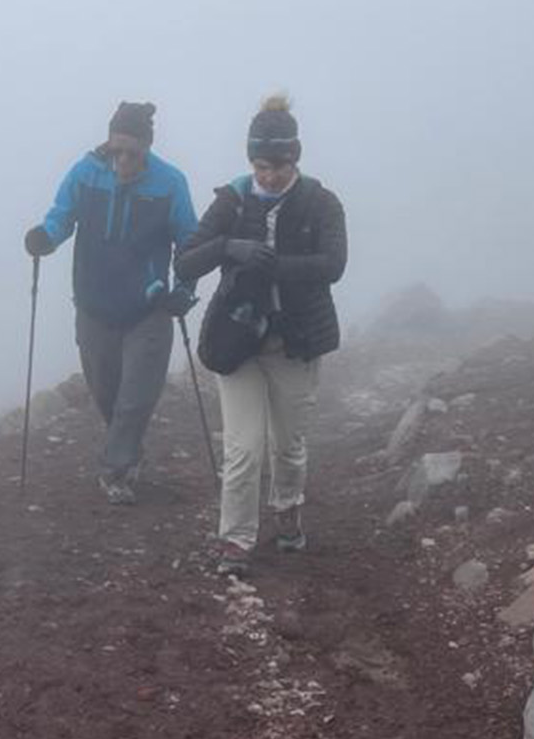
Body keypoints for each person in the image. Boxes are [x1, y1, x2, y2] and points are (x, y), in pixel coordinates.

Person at [175, 94, 346, 575]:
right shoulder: (231, 200)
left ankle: (287, 509)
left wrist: (274, 266)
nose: (267, 175)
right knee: (243, 447)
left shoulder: (322, 202)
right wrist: (230, 246)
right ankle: (235, 543)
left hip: (296, 341)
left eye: (277, 164)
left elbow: (334, 265)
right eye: (259, 164)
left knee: (288, 445)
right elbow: (186, 260)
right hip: (238, 340)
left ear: (295, 158)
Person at [25, 102, 200, 504]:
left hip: (150, 308)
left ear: (147, 148)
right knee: (105, 391)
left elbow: (189, 242)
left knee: (136, 395)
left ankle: (116, 471)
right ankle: (128, 451)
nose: (122, 160)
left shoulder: (170, 183)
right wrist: (45, 239)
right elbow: (61, 217)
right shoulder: (85, 173)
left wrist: (184, 288)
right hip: (93, 305)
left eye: (132, 153)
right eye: (115, 149)